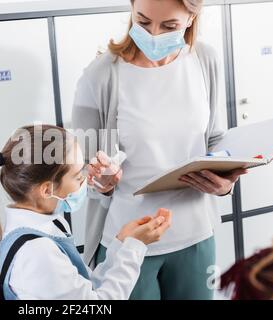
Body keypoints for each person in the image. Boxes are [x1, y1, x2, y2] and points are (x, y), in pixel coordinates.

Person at [72, 0, 248, 299]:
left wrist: (225, 184)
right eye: (143, 22)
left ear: (191, 18)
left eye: (169, 26)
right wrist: (101, 182)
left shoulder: (204, 59)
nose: (153, 35)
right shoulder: (100, 75)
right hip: (128, 240)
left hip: (195, 236)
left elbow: (216, 140)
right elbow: (80, 170)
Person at [0, 124, 171, 299]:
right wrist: (134, 247)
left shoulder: (44, 226)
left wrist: (121, 244)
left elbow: (86, 287)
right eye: (77, 175)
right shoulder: (38, 252)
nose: (85, 180)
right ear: (47, 190)